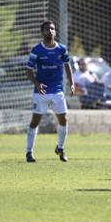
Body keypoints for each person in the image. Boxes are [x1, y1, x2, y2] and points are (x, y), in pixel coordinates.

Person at [24, 20, 75, 162]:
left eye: (52, 28)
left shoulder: (62, 49)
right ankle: (29, 152)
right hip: (41, 93)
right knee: (35, 121)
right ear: (42, 32)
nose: (50, 31)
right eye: (47, 29)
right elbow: (28, 71)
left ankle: (60, 148)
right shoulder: (37, 50)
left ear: (55, 31)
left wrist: (72, 83)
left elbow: (67, 65)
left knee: (63, 120)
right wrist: (37, 84)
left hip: (58, 91)